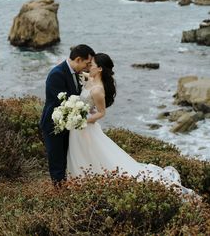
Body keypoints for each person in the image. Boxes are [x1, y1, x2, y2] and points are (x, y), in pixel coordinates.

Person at [67, 53, 194, 196]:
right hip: (77, 127)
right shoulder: (89, 78)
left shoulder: (98, 90)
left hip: (84, 126)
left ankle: (86, 185)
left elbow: (101, 113)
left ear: (100, 69)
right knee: (83, 154)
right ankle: (80, 183)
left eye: (92, 65)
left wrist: (82, 120)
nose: (89, 66)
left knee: (91, 155)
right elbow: (77, 74)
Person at [40, 44, 95, 184]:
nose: (88, 67)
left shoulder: (77, 74)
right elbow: (63, 103)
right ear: (78, 59)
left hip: (69, 124)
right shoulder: (57, 74)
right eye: (87, 63)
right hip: (54, 125)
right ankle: (58, 192)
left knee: (67, 158)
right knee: (57, 161)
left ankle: (66, 187)